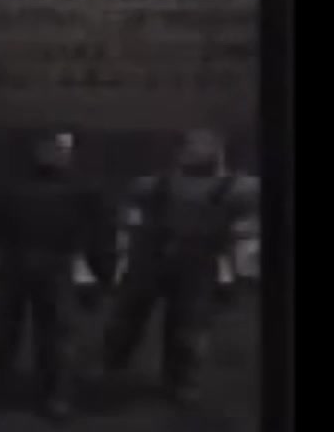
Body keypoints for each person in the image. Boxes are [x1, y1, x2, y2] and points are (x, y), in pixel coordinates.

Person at [102, 129, 260, 405]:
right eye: (191, 146)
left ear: (219, 151)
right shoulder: (152, 185)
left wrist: (236, 269)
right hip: (151, 256)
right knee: (128, 317)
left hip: (200, 261)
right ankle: (113, 365)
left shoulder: (240, 188)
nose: (195, 151)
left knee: (189, 325)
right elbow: (129, 216)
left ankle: (182, 381)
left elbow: (245, 232)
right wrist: (127, 251)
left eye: (204, 146)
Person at [0, 132, 116, 417]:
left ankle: (57, 391)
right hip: (11, 265)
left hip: (56, 266)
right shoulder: (8, 187)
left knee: (57, 334)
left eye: (63, 148)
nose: (57, 153)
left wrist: (103, 275)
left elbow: (100, 235)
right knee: (0, 331)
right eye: (52, 147)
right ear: (37, 150)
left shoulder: (84, 191)